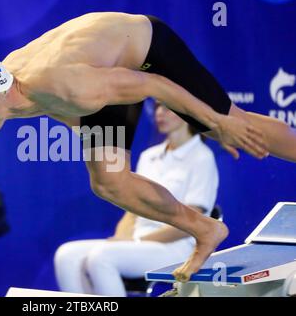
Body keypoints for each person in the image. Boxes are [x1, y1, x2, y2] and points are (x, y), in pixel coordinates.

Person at [0, 12, 296, 281]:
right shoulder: (13, 94)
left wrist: (216, 123)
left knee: (230, 121)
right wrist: (97, 144)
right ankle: (206, 229)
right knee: (108, 181)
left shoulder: (61, 84)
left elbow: (153, 85)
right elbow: (67, 112)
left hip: (147, 52)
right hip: (100, 71)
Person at [54, 100, 219, 296]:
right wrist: (120, 237)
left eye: (168, 108)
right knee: (66, 256)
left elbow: (194, 220)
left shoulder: (202, 157)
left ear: (186, 113)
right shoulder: (149, 156)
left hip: (176, 248)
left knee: (101, 258)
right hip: (138, 242)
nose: (160, 113)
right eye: (158, 107)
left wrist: (138, 240)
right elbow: (132, 209)